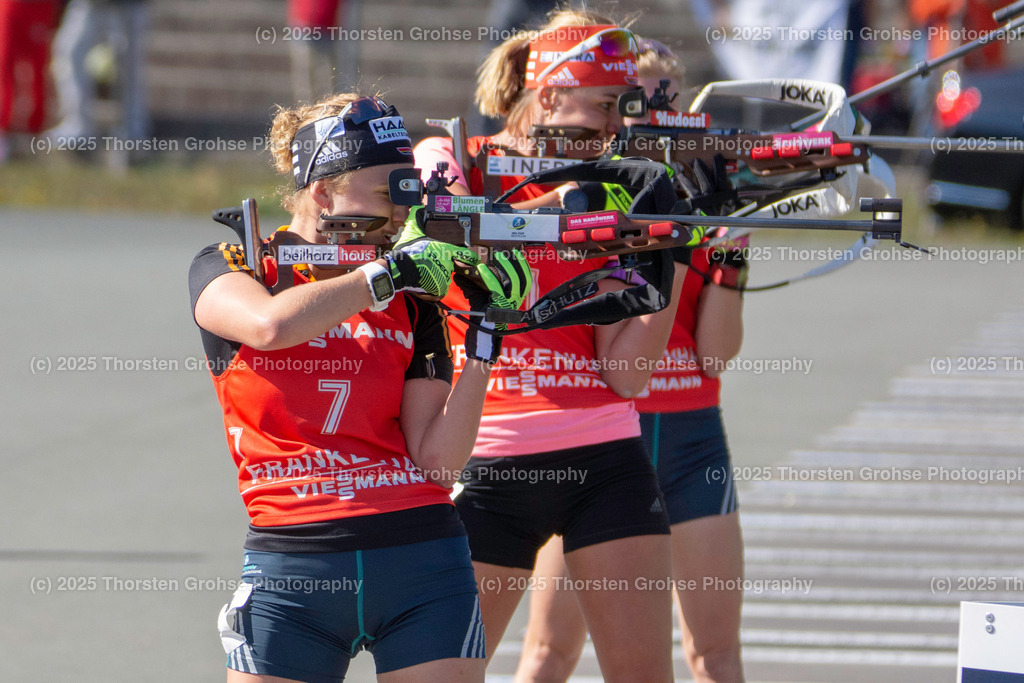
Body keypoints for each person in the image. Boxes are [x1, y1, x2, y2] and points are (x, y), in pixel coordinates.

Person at [189, 91, 530, 682]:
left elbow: (438, 460)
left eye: (408, 199)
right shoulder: (237, 264)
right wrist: (384, 273)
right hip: (293, 566)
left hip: (423, 559)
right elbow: (270, 326)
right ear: (323, 192)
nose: (402, 218)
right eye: (385, 196)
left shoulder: (411, 296)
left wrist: (482, 341)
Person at [414, 9, 690, 681]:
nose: (615, 128)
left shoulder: (619, 181)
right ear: (551, 93)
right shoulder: (455, 157)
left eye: (620, 111)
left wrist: (677, 242)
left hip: (607, 459)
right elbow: (435, 232)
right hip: (487, 461)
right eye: (603, 107)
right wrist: (559, 208)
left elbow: (625, 375)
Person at [513, 41, 748, 683]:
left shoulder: (693, 192)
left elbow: (717, 354)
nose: (655, 116)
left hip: (693, 435)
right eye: (639, 103)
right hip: (609, 439)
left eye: (671, 100)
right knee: (548, 653)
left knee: (715, 654)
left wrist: (727, 252)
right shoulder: (583, 190)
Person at [0, 0, 60, 161]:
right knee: (5, 63)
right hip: (11, 5)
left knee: (38, 67)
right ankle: (4, 129)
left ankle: (35, 132)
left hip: (38, 6)